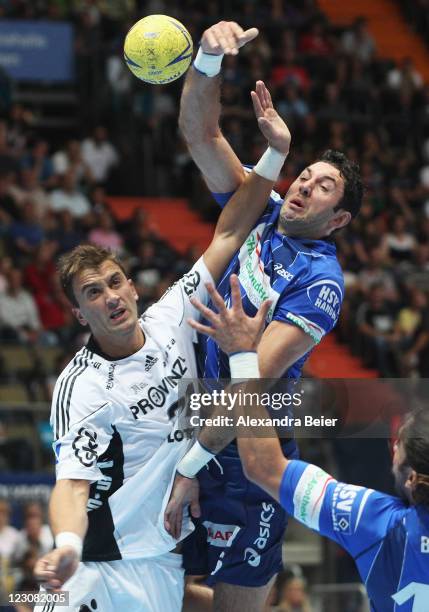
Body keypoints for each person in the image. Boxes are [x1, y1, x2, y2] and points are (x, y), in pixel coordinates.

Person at [33, 86, 292, 612]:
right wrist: (64, 544)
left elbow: (231, 230)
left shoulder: (174, 313)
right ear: (80, 313)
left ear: (132, 285)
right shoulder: (80, 386)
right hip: (92, 566)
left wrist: (276, 153)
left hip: (158, 562)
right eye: (92, 294)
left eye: (113, 283)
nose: (109, 298)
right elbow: (72, 487)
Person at [171, 20, 362, 611]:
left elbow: (255, 384)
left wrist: (191, 466)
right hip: (183, 423)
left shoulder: (321, 281)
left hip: (243, 454)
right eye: (306, 174)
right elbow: (200, 135)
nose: (306, 183)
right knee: (148, 588)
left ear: (338, 219)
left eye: (325, 186)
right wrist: (205, 61)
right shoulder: (259, 208)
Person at [187, 277, 429, 611]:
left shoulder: (375, 521)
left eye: (396, 448)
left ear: (412, 478)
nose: (391, 451)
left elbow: (263, 467)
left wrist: (243, 356)